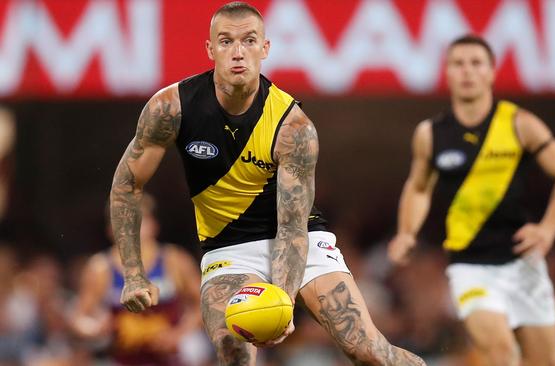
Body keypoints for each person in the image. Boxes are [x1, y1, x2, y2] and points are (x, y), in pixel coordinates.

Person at [109, 2, 425, 365]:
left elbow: (292, 226)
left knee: (368, 351)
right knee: (234, 349)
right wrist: (133, 273)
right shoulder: (171, 108)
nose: (238, 53)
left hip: (298, 239)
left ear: (266, 48)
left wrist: (283, 301)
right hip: (228, 247)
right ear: (210, 50)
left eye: (249, 40)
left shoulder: (294, 129)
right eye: (226, 42)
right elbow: (127, 186)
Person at [388, 35, 555, 366]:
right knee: (500, 353)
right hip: (470, 265)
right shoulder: (431, 134)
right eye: (458, 63)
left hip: (524, 262)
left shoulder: (520, 124)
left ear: (492, 72)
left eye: (476, 63)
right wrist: (407, 231)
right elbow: (419, 187)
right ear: (447, 73)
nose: (467, 71)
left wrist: (548, 230)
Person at [70, 193, 204, 365]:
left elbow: (202, 304)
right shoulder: (100, 268)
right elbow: (78, 316)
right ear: (110, 230)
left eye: (139, 220)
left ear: (154, 225)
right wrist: (94, 329)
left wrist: (179, 333)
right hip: (122, 359)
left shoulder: (174, 260)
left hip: (170, 359)